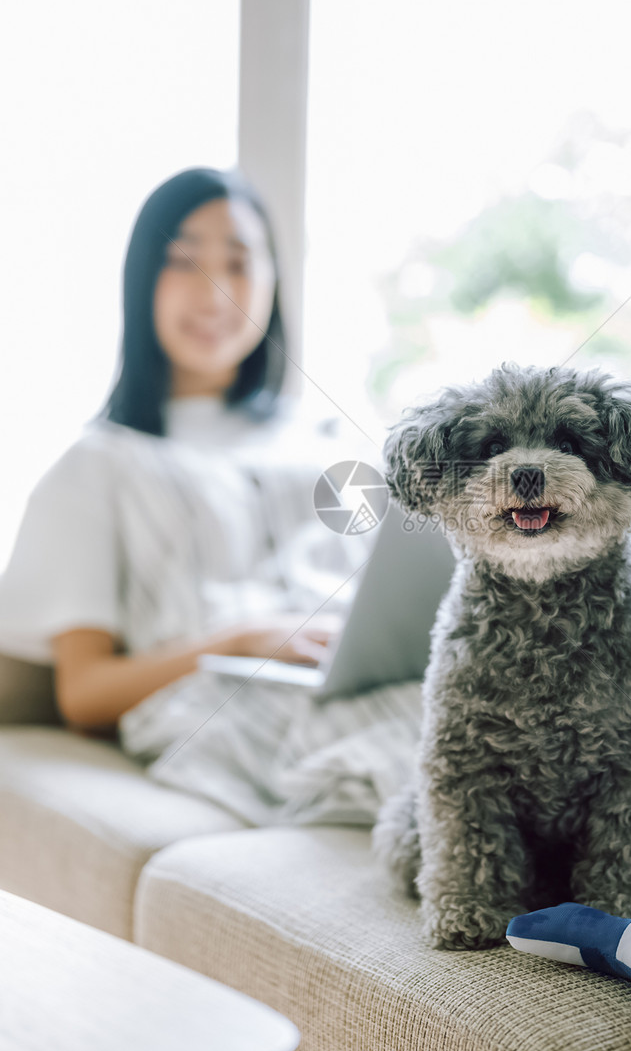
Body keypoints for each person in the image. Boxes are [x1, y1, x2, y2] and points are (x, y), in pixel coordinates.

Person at [0, 166, 381, 752]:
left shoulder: (334, 440)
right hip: (237, 713)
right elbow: (84, 695)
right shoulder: (98, 464)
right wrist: (242, 641)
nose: (214, 293)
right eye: (183, 261)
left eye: (238, 262)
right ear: (142, 278)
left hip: (377, 680)